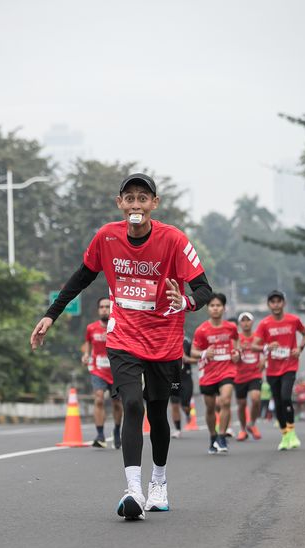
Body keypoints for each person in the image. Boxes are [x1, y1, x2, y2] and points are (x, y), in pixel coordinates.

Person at [30, 173, 212, 519]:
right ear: (120, 204)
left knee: (157, 412)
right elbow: (81, 278)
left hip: (164, 341)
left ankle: (159, 481)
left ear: (154, 204)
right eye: (129, 198)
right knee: (131, 404)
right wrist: (51, 315)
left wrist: (186, 302)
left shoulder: (174, 240)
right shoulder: (107, 237)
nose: (136, 205)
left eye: (143, 198)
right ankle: (133, 490)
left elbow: (204, 289)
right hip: (124, 337)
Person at [252, 291, 305, 450]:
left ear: (284, 303)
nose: (276, 305)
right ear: (269, 305)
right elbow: (254, 345)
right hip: (272, 368)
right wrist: (266, 347)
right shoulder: (264, 324)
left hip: (289, 365)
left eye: (279, 301)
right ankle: (285, 435)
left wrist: (300, 348)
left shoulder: (293, 320)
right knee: (277, 402)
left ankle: (292, 433)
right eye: (273, 302)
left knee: (285, 397)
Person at [191, 293, 239, 454]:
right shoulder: (202, 330)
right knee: (210, 408)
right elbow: (193, 351)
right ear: (208, 308)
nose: (215, 308)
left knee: (225, 401)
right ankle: (213, 436)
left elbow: (236, 342)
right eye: (212, 306)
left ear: (224, 308)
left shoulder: (231, 327)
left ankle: (222, 436)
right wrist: (204, 353)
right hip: (208, 373)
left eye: (218, 305)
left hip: (227, 369)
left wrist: (237, 353)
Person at [82, 297, 123, 448]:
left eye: (107, 306)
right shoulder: (91, 328)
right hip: (98, 369)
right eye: (102, 307)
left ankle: (117, 431)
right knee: (99, 398)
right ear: (98, 310)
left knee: (117, 403)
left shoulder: (118, 326)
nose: (104, 309)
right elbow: (88, 343)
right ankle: (100, 435)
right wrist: (86, 354)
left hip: (115, 370)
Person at [234, 311, 264, 441]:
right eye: (243, 320)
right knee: (241, 404)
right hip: (239, 375)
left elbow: (265, 351)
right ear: (240, 323)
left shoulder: (258, 337)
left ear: (252, 322)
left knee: (256, 398)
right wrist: (238, 353)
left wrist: (264, 361)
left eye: (248, 320)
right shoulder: (237, 338)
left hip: (255, 374)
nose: (246, 323)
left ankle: (252, 423)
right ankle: (242, 429)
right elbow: (234, 357)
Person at [170, 335, 198, 438]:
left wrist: (186, 359)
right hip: (173, 378)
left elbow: (196, 359)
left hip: (186, 377)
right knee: (174, 403)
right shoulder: (168, 340)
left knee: (185, 405)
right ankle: (177, 429)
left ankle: (187, 413)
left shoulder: (187, 342)